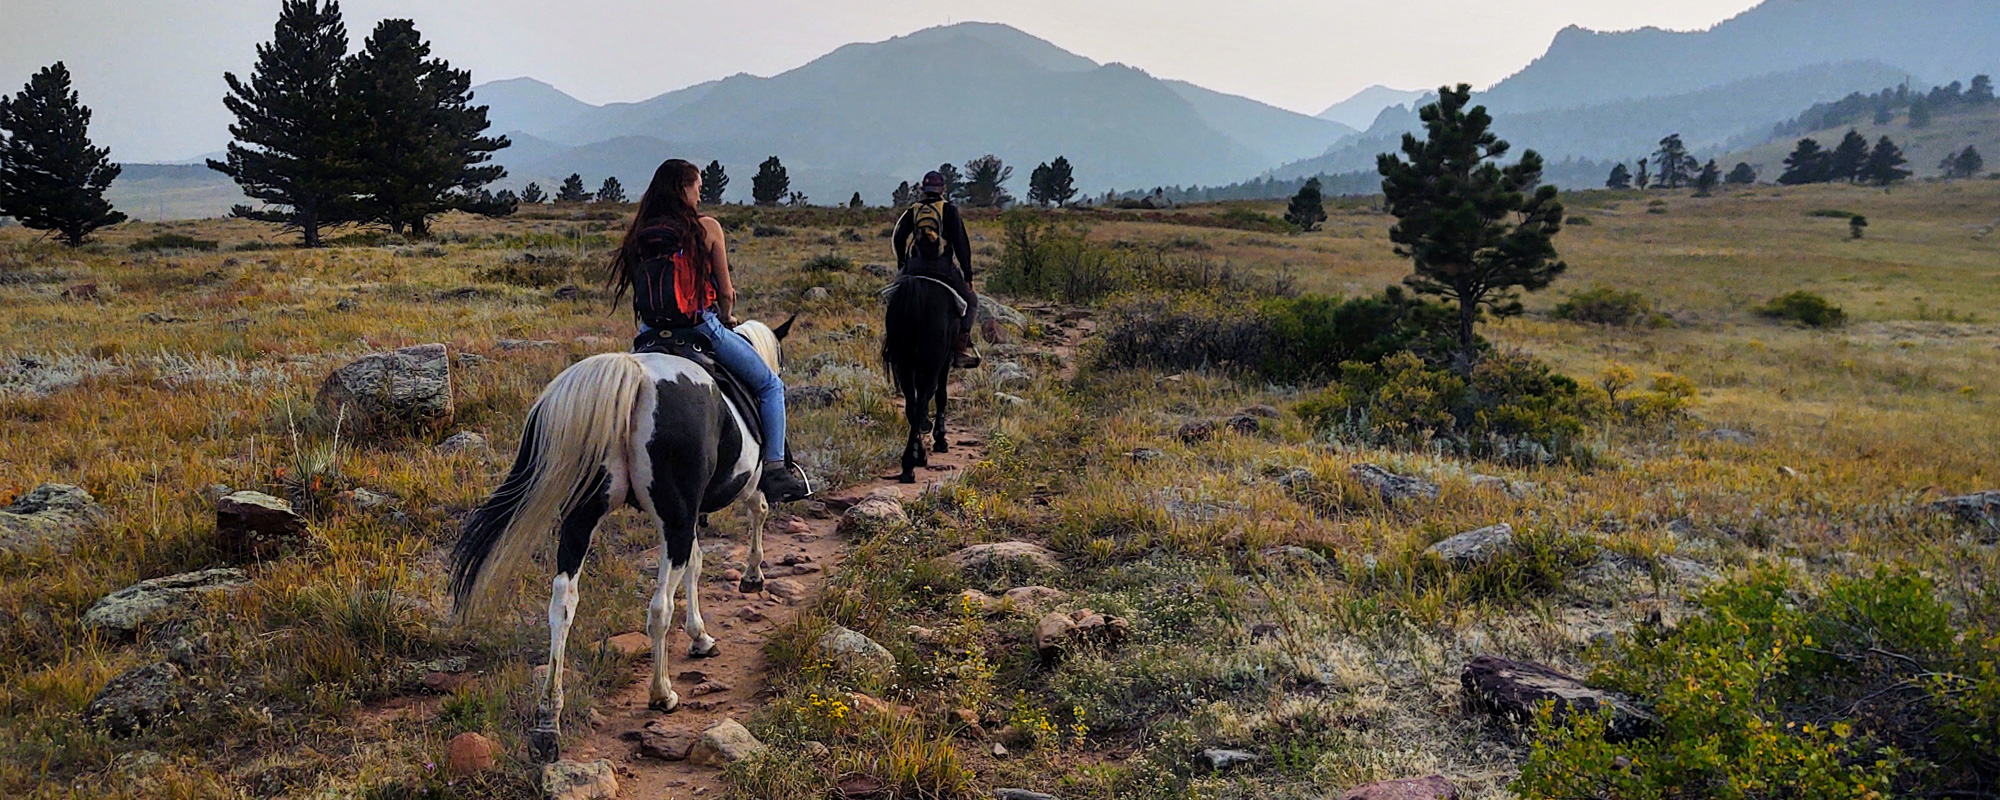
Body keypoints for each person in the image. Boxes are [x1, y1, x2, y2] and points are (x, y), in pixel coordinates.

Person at [605, 158, 811, 502]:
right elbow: (726, 292)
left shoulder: (640, 231)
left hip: (650, 332)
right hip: (699, 327)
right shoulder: (706, 228)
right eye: (697, 188)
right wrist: (727, 317)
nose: (700, 195)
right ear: (683, 188)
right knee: (769, 385)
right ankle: (776, 469)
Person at [892, 171, 981, 368]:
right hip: (943, 268)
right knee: (972, 302)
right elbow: (961, 243)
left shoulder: (913, 209)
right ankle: (960, 348)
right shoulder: (949, 210)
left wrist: (902, 263)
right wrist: (967, 274)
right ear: (942, 190)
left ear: (923, 190)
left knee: (893, 298)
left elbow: (898, 238)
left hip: (914, 267)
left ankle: (894, 343)